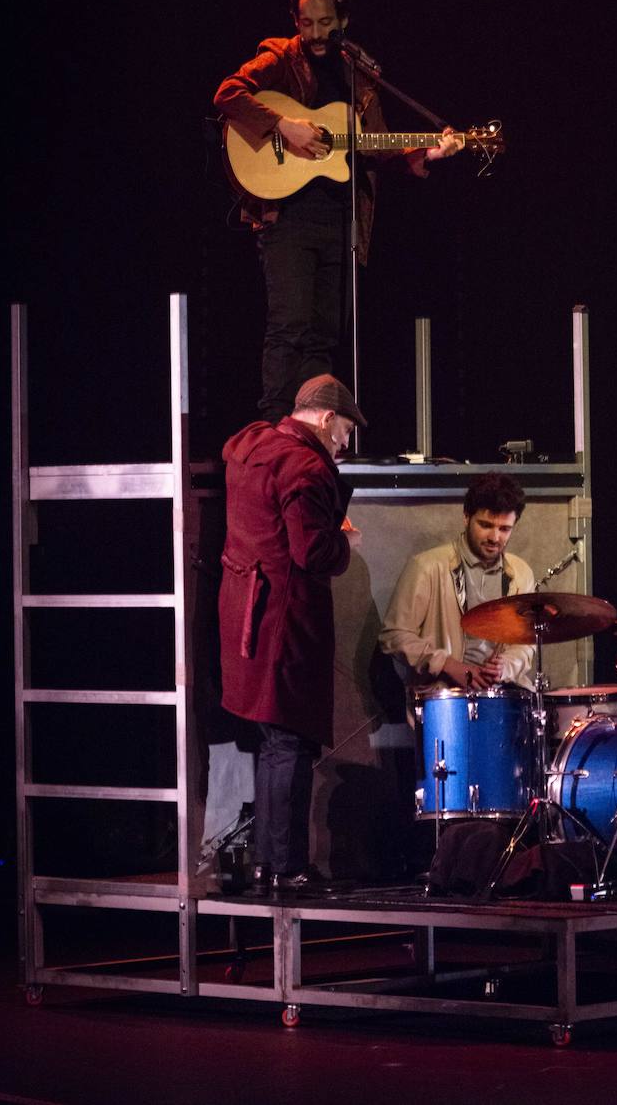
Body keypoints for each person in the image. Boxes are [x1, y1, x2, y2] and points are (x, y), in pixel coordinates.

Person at [214, 0, 462, 421]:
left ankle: (313, 426)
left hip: (340, 220)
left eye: (324, 22)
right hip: (287, 217)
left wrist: (424, 151)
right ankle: (271, 429)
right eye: (305, 23)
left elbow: (379, 145)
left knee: (324, 334)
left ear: (342, 19)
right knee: (289, 326)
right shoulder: (280, 57)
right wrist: (282, 125)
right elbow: (228, 94)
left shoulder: (360, 76)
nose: (314, 33)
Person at [217, 374, 366, 894]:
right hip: (285, 616)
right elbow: (311, 553)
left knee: (272, 740)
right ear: (326, 418)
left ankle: (266, 862)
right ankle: (289, 869)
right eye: (345, 431)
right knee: (291, 741)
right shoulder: (306, 466)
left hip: (244, 610)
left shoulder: (252, 443)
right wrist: (345, 541)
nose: (345, 444)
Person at [379, 472, 536, 690]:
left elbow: (526, 643)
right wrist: (447, 665)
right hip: (445, 698)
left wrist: (506, 666)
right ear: (466, 516)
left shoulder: (521, 573)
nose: (494, 537)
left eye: (504, 529)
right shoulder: (427, 566)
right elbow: (393, 637)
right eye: (485, 525)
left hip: (504, 695)